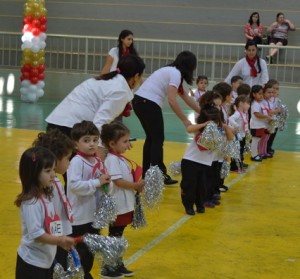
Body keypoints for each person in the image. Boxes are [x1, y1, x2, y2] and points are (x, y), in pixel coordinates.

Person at [46, 54, 145, 159]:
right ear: (136, 76)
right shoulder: (120, 90)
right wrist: (99, 152)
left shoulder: (110, 80)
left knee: (59, 170)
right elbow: (100, 122)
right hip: (69, 130)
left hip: (58, 124)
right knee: (78, 172)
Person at [15, 147, 75, 279]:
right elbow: (37, 234)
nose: (53, 175)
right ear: (34, 173)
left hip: (46, 261)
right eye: (48, 171)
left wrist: (61, 237)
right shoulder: (31, 202)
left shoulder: (46, 194)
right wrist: (60, 240)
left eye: (53, 169)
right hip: (31, 264)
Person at [132, 51, 200, 185]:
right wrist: (185, 120)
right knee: (157, 139)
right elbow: (172, 100)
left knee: (151, 138)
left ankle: (148, 175)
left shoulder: (170, 71)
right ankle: (159, 175)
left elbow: (185, 96)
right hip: (149, 103)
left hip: (138, 101)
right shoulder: (175, 73)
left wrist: (201, 111)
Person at [67, 121, 112, 279]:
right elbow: (74, 186)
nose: (92, 144)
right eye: (86, 140)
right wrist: (96, 182)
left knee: (91, 247)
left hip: (93, 214)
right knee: (80, 249)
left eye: (95, 140)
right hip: (79, 215)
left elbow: (100, 183)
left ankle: (86, 276)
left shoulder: (97, 161)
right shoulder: (77, 162)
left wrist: (106, 183)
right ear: (75, 144)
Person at [100, 121, 145, 279]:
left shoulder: (119, 158)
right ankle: (108, 266)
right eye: (125, 141)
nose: (128, 144)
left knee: (118, 235)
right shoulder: (112, 159)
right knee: (115, 235)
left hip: (125, 204)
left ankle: (117, 263)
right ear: (112, 144)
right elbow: (118, 181)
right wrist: (136, 185)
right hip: (118, 204)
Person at [181, 104, 233, 215]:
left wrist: (225, 127)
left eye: (215, 120)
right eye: (210, 120)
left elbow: (230, 138)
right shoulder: (200, 130)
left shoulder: (219, 132)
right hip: (190, 161)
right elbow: (189, 129)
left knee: (203, 186)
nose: (213, 123)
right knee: (189, 185)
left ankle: (200, 204)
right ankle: (188, 206)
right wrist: (204, 124)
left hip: (206, 164)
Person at [228, 95, 251, 172]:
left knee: (241, 151)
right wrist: (236, 126)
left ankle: (239, 165)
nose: (249, 105)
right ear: (241, 103)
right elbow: (230, 119)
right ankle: (234, 167)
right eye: (247, 103)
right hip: (237, 137)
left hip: (243, 136)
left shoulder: (244, 113)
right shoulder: (237, 113)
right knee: (237, 151)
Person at [249, 85, 271, 161]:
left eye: (262, 93)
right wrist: (266, 116)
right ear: (254, 94)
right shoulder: (254, 104)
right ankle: (253, 155)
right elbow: (257, 115)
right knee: (255, 140)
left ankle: (255, 154)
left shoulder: (260, 103)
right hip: (256, 126)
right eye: (259, 93)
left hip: (260, 125)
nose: (261, 95)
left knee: (257, 140)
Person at [266, 79, 284, 155]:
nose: (276, 90)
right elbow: (269, 110)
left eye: (277, 88)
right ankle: (265, 149)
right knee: (267, 135)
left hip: (274, 119)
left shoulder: (276, 98)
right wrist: (277, 110)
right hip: (268, 119)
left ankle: (269, 147)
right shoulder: (267, 98)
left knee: (273, 133)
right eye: (274, 88)